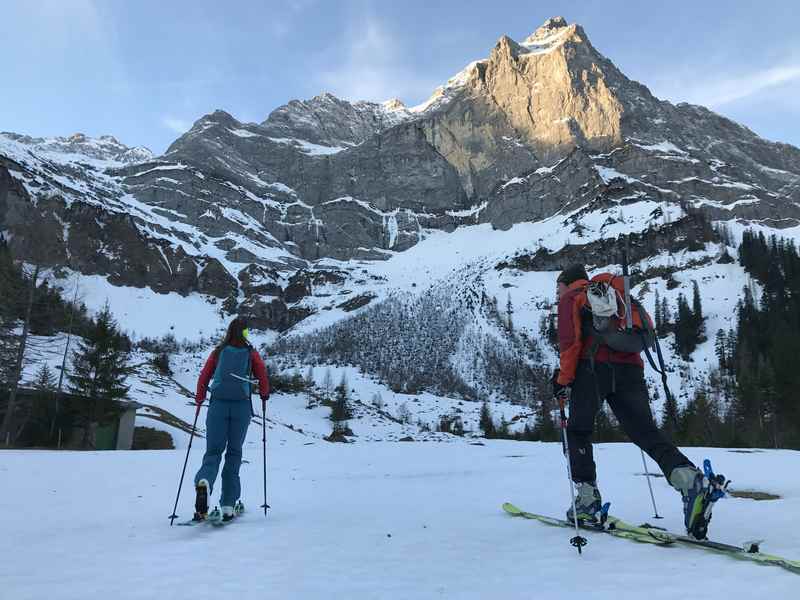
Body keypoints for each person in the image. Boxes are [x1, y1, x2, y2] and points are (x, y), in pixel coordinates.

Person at [553, 263, 723, 539]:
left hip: (592, 369)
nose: (557, 293)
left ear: (567, 283)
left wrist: (562, 381)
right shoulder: (615, 295)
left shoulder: (572, 298)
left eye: (557, 288)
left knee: (578, 430)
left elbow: (570, 344)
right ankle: (689, 481)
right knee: (644, 431)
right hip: (631, 370)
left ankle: (586, 500)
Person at [192, 317, 270, 522]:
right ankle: (228, 504)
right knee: (234, 453)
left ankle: (204, 481)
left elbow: (204, 376)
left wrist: (200, 399)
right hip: (241, 407)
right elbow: (262, 373)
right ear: (244, 332)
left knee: (213, 452)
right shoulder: (250, 352)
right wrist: (264, 394)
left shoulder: (218, 352)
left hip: (217, 405)